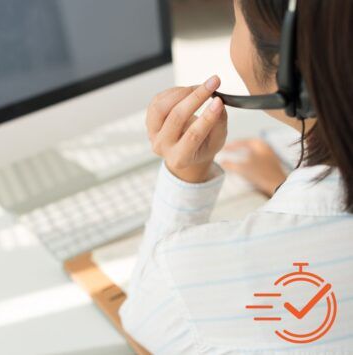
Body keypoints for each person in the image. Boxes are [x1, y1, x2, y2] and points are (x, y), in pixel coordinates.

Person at [120, 0, 353, 353]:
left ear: (289, 71)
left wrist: (185, 175)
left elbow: (144, 320)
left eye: (237, 17)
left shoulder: (200, 271)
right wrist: (284, 185)